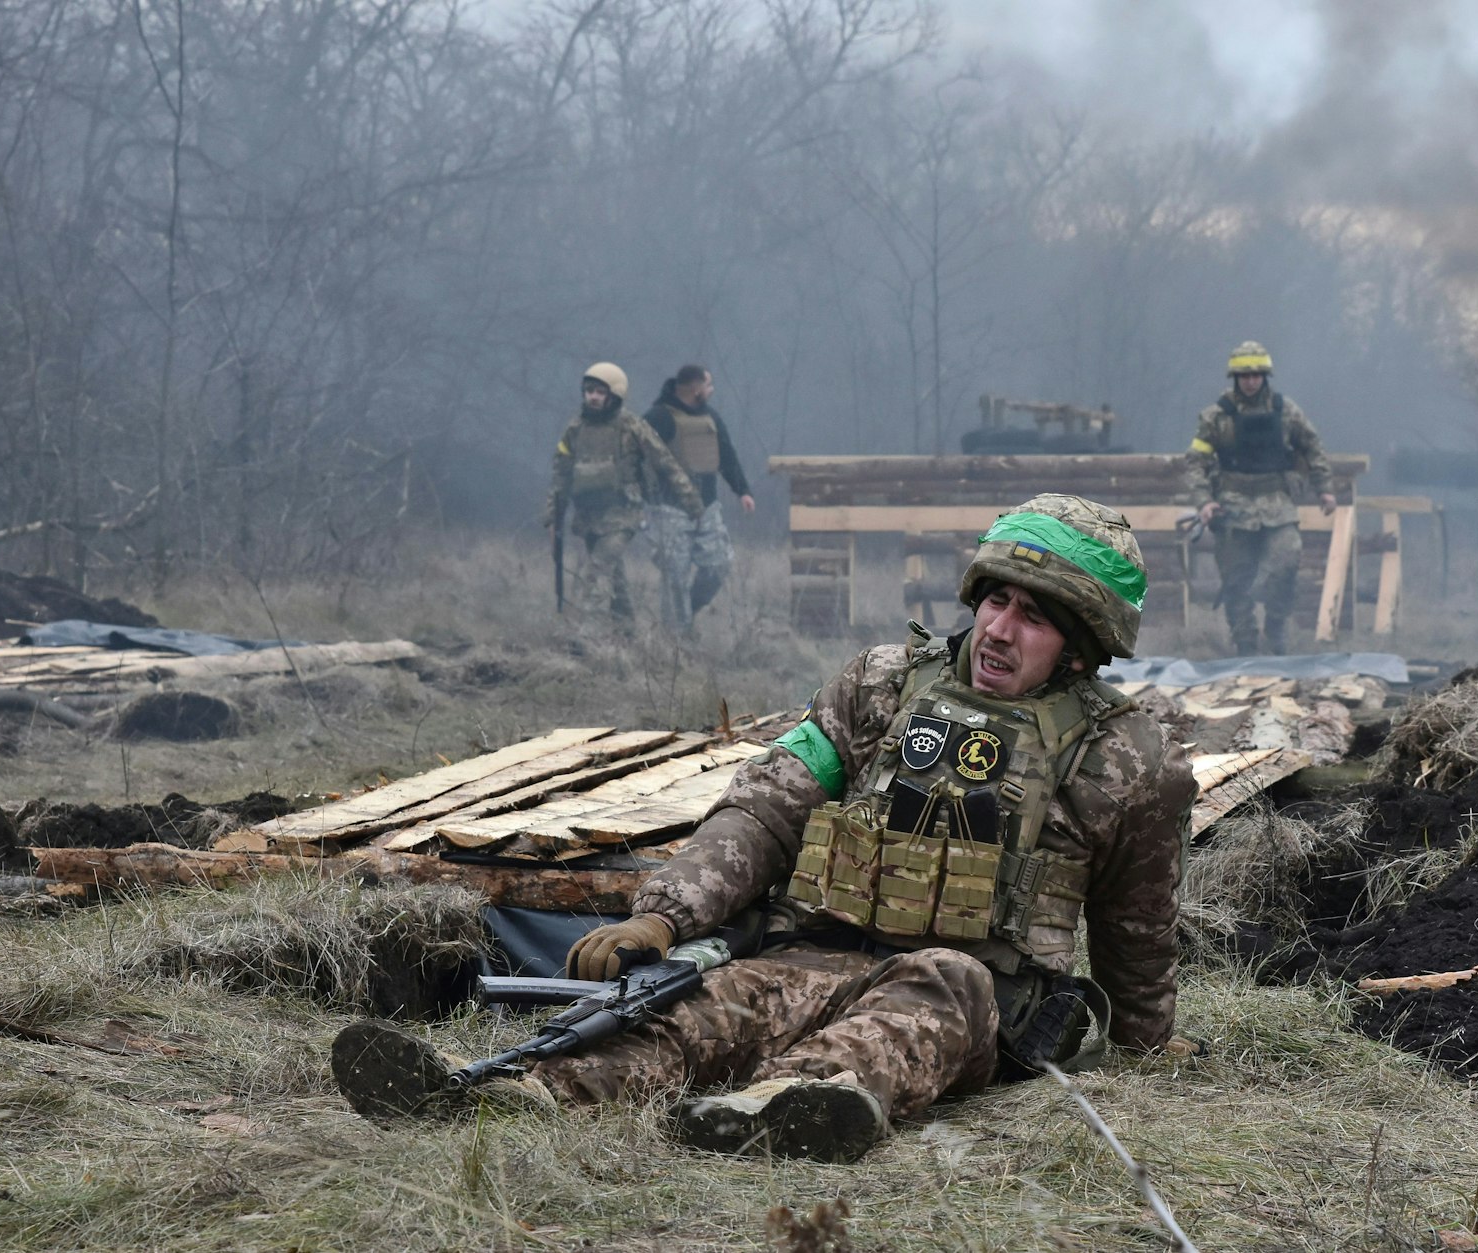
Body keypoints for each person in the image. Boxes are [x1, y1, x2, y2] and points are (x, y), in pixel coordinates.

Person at [333, 494, 1198, 1163]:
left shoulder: (1129, 760)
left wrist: (1146, 1043)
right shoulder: (881, 687)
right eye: (997, 601)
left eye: (1034, 617)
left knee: (939, 983)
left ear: (1082, 648)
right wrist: (664, 914)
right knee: (703, 1009)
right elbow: (767, 807)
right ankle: (516, 1095)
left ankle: (782, 1107)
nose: (1001, 631)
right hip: (809, 956)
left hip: (978, 997)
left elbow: (1136, 925)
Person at [1186, 340, 1336, 655]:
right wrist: (1204, 502)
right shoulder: (1216, 416)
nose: (1251, 381)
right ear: (1235, 378)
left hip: (1277, 503)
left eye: (1256, 375)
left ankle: (1276, 627)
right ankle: (1246, 646)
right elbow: (1196, 462)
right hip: (1232, 505)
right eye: (1244, 375)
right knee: (1236, 579)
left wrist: (1324, 488)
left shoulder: (1286, 411)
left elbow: (1312, 447)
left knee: (1286, 559)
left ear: (1265, 376)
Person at [543, 362, 703, 626]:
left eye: (599, 392)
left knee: (598, 568)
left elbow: (665, 463)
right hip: (589, 515)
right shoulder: (574, 430)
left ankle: (587, 635)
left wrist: (692, 502)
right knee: (615, 578)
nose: (593, 396)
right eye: (589, 390)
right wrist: (552, 518)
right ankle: (627, 632)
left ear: (613, 395)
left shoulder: (631, 427)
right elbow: (561, 475)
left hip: (622, 515)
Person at [642, 365, 755, 631]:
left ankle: (690, 611)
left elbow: (726, 456)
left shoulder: (711, 418)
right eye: (708, 385)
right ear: (696, 389)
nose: (711, 390)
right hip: (669, 510)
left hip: (708, 508)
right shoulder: (658, 417)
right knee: (675, 577)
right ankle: (676, 641)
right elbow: (637, 460)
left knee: (719, 564)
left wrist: (743, 491)